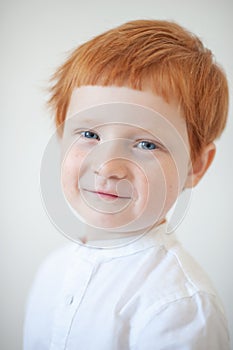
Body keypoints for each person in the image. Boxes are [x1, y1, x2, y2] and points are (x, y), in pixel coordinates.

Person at [23, 20, 230, 349]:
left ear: (196, 165)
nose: (107, 166)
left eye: (146, 145)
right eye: (90, 135)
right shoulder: (53, 270)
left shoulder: (179, 309)